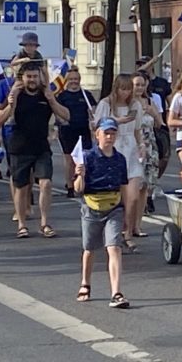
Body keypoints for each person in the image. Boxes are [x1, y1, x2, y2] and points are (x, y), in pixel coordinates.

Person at [0, 62, 69, 238]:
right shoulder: (17, 93)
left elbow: (66, 115)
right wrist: (11, 104)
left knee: (46, 183)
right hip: (20, 146)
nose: (32, 80)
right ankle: (21, 224)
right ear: (23, 78)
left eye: (35, 76)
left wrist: (52, 100)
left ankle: (44, 223)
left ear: (40, 77)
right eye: (29, 77)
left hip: (41, 146)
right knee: (21, 187)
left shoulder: (46, 93)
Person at [74, 117, 130, 309]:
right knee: (89, 249)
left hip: (114, 207)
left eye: (113, 133)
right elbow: (78, 189)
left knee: (114, 247)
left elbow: (123, 187)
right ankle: (85, 283)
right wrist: (79, 175)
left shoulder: (120, 159)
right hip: (92, 206)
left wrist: (127, 215)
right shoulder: (88, 157)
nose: (109, 137)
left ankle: (116, 292)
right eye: (106, 133)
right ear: (97, 134)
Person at [94, 74, 145, 253]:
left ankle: (128, 233)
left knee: (133, 197)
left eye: (128, 89)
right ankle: (113, 234)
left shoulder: (135, 105)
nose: (126, 93)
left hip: (130, 148)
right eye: (123, 89)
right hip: (113, 149)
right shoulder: (106, 105)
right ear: (116, 89)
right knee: (116, 198)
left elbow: (137, 129)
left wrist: (141, 145)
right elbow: (97, 126)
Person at [56, 68, 97, 198]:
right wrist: (63, 122)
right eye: (71, 79)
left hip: (83, 130)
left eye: (76, 79)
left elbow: (93, 111)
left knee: (84, 159)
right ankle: (70, 186)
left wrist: (93, 122)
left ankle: (83, 183)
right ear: (67, 81)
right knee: (69, 160)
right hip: (67, 131)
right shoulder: (62, 96)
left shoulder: (86, 95)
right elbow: (57, 113)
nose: (74, 82)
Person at [132, 71, 162, 235]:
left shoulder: (150, 101)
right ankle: (127, 224)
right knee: (133, 187)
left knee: (144, 188)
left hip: (149, 147)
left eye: (142, 84)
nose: (139, 88)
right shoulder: (127, 103)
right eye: (136, 84)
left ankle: (137, 225)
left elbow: (160, 125)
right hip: (133, 147)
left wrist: (153, 113)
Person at [136, 55, 173, 179]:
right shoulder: (129, 101)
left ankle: (154, 184)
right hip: (135, 141)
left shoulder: (155, 94)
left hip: (152, 136)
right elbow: (135, 75)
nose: (140, 87)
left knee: (161, 159)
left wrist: (156, 115)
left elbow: (160, 121)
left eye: (143, 85)